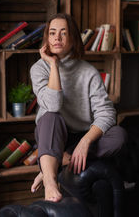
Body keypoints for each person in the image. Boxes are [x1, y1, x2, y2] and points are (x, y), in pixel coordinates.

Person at [30, 13, 127, 202]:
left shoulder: (88, 72)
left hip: (81, 137)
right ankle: (50, 182)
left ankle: (54, 162)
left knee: (119, 135)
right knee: (50, 116)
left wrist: (86, 142)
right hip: (52, 133)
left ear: (73, 39)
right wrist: (53, 65)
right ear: (47, 39)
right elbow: (53, 105)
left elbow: (107, 113)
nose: (57, 38)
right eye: (52, 33)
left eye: (63, 33)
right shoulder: (39, 68)